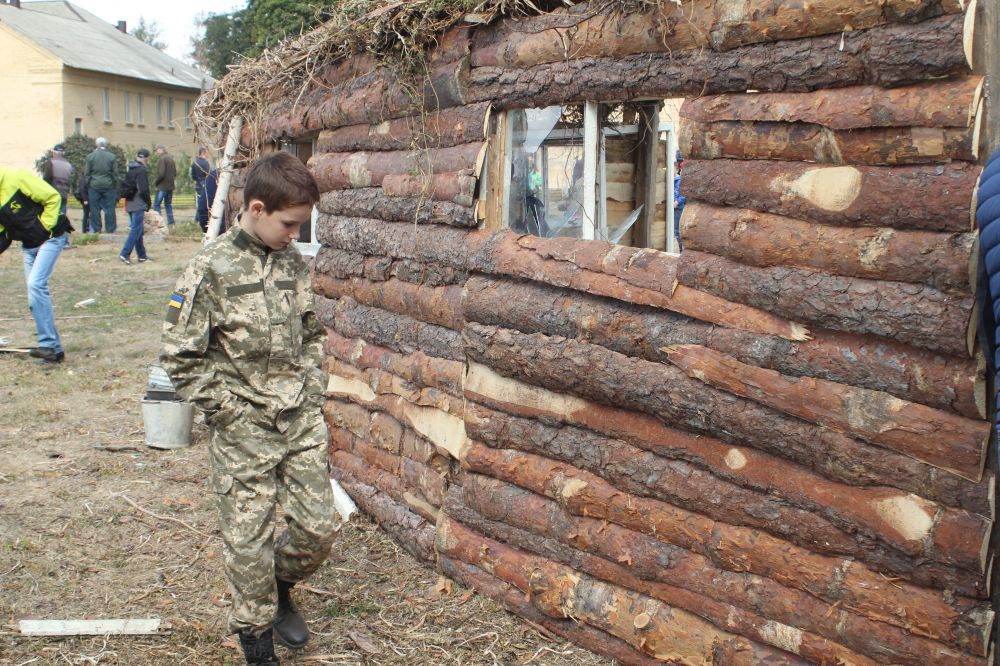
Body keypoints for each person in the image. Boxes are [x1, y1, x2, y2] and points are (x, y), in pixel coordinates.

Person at [160, 151, 335, 666]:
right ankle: (257, 644)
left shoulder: (287, 262)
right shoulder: (208, 268)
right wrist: (228, 412)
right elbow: (180, 356)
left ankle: (280, 587)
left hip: (298, 417)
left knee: (317, 530)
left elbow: (310, 333)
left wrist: (313, 388)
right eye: (289, 224)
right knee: (248, 542)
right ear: (256, 208)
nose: (295, 235)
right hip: (244, 427)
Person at [0, 166, 72, 363]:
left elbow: (53, 197)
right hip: (29, 245)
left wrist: (43, 228)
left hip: (52, 237)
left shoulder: (15, 177)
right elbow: (3, 232)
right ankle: (55, 351)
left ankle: (47, 344)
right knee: (34, 296)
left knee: (36, 285)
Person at [118, 148, 152, 265]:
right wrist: (148, 202)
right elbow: (143, 189)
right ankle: (125, 253)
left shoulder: (131, 168)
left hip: (130, 202)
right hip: (138, 203)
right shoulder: (141, 170)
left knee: (139, 230)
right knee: (136, 230)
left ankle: (142, 255)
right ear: (146, 158)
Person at [83, 137, 118, 234]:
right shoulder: (112, 156)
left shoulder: (90, 156)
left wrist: (88, 184)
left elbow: (87, 173)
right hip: (108, 185)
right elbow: (115, 173)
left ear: (96, 144)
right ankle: (110, 229)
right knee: (110, 208)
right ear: (105, 144)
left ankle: (97, 229)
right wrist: (113, 184)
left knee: (94, 209)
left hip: (94, 185)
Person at [42, 143, 73, 216]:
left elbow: (46, 178)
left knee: (52, 215)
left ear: (54, 152)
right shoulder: (68, 165)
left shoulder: (51, 162)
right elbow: (70, 181)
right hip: (64, 194)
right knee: (62, 215)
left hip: (53, 193)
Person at [153, 144, 176, 226]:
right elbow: (175, 173)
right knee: (168, 205)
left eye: (156, 150)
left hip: (162, 186)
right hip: (170, 186)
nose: (156, 153)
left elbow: (161, 174)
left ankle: (158, 223)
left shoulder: (162, 159)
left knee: (156, 204)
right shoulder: (171, 159)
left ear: (160, 150)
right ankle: (171, 222)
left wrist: (156, 182)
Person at [191, 147, 212, 232]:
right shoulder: (205, 163)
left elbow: (193, 176)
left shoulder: (194, 163)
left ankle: (196, 219)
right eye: (207, 153)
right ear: (203, 153)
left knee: (200, 201)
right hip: (204, 184)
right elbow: (208, 174)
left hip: (198, 184)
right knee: (203, 203)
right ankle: (197, 219)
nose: (208, 155)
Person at [673, 151, 686, 252]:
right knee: (673, 231)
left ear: (676, 169)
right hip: (672, 208)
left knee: (677, 231)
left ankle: (681, 250)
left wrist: (677, 202)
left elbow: (684, 194)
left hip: (678, 209)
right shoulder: (670, 181)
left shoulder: (680, 180)